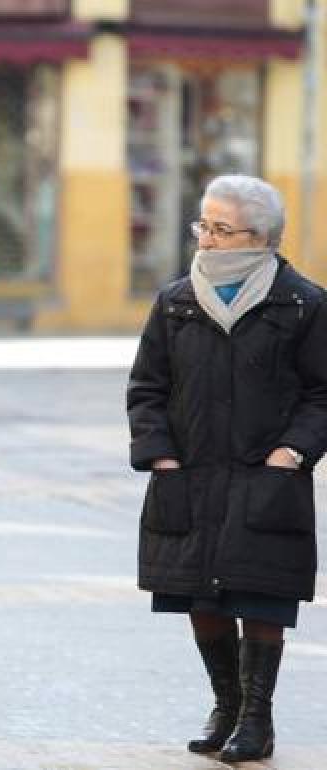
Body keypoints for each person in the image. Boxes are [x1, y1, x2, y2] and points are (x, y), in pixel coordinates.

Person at [127, 174, 326, 762]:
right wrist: (160, 455)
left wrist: (291, 453)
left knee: (260, 594)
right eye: (203, 226)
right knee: (199, 596)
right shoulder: (175, 301)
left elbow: (323, 392)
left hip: (268, 474)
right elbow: (147, 387)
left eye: (220, 228)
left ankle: (257, 720)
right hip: (189, 472)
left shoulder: (304, 304)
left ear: (258, 237)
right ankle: (227, 707)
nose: (206, 239)